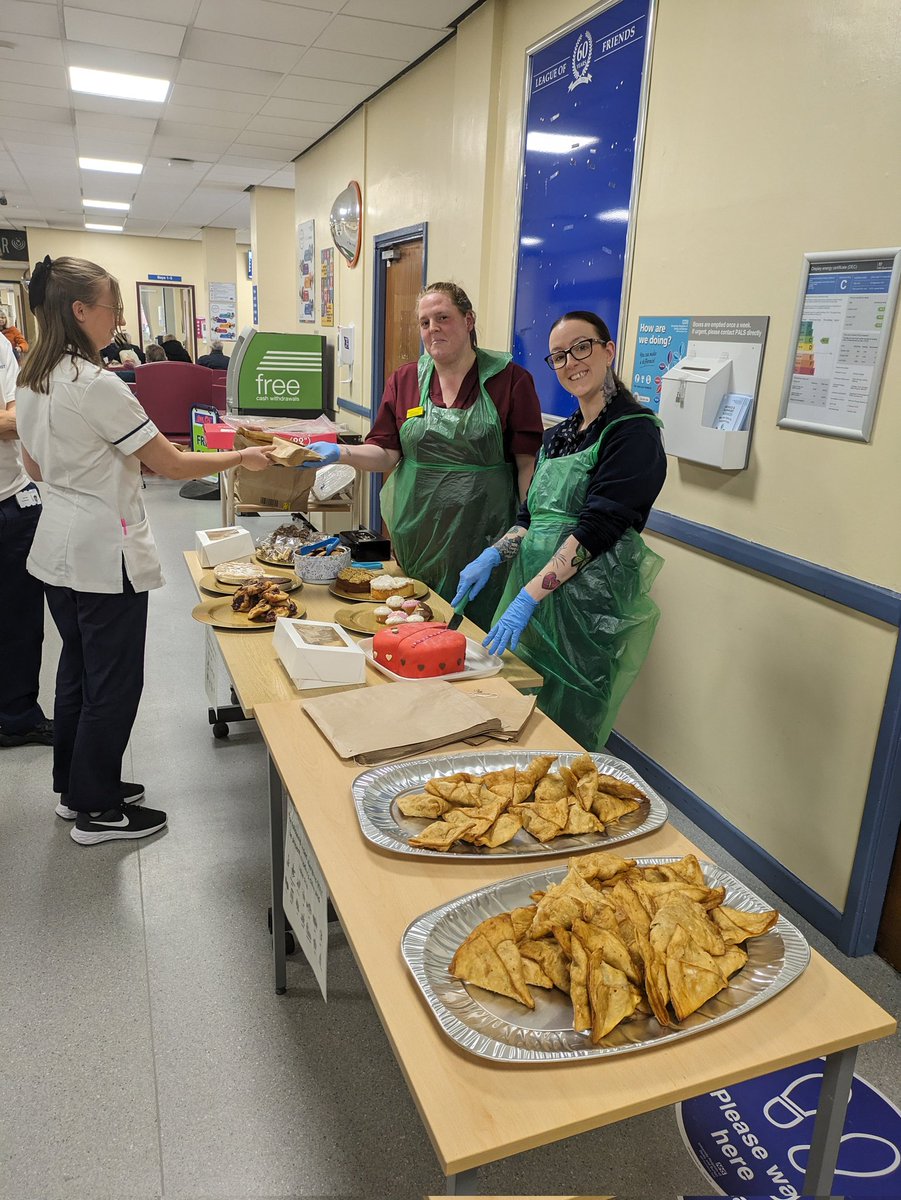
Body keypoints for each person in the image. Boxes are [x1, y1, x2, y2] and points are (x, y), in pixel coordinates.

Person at [15, 255, 274, 845]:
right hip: (105, 551)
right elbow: (172, 463)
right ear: (80, 311)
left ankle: (76, 789)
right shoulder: (96, 384)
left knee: (76, 672)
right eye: (112, 309)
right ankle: (100, 812)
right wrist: (241, 457)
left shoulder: (32, 379)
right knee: (114, 681)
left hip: (57, 543)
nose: (118, 320)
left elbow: (32, 463)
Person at [455, 311, 667, 751]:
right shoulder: (560, 436)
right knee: (517, 709)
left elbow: (598, 529)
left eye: (582, 347)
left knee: (569, 720)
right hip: (532, 597)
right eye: (558, 356)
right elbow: (531, 517)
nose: (571, 362)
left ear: (608, 350)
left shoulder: (632, 433)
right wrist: (494, 554)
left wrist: (528, 597)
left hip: (588, 608)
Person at [300, 282, 544, 628]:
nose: (433, 329)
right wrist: (341, 452)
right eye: (424, 322)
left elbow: (526, 463)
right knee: (413, 615)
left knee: (475, 622)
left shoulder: (510, 380)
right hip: (418, 527)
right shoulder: (405, 381)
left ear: (468, 320)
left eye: (443, 317)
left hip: (486, 530)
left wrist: (529, 526)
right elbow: (386, 454)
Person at [0, 327, 52, 748]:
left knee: (21, 618)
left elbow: (19, 419)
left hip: (11, 496)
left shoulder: (0, 345)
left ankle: (17, 717)